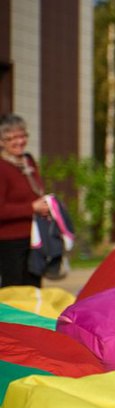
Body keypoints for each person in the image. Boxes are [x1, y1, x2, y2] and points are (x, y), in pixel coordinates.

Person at [0, 114, 50, 287]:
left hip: (34, 238)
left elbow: (36, 192)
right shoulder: (2, 167)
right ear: (2, 142)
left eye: (22, 136)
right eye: (12, 138)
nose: (19, 142)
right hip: (10, 242)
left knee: (34, 289)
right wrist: (32, 208)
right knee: (14, 291)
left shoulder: (28, 161)